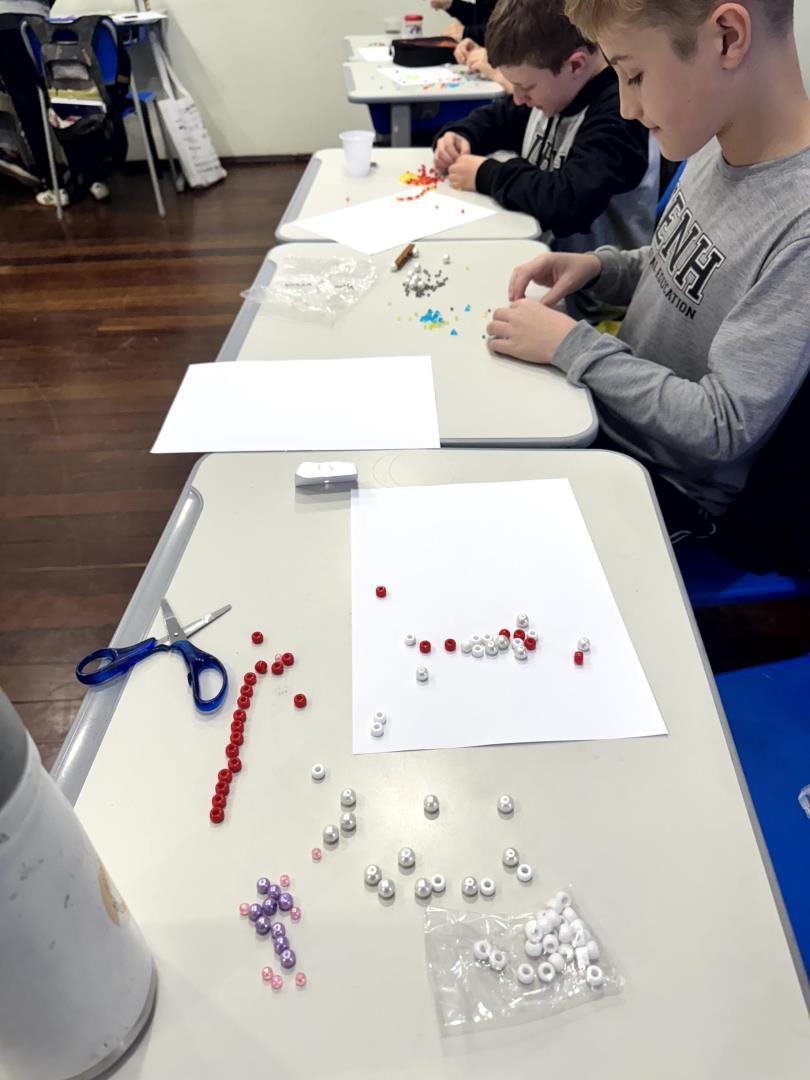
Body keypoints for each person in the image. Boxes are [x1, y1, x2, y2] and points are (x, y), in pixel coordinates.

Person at [487, 0, 810, 551]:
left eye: (634, 76)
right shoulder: (714, 141)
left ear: (728, 38)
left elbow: (722, 426)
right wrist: (599, 269)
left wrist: (572, 346)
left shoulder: (798, 227)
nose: (627, 107)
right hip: (607, 420)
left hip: (664, 487)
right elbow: (679, 269)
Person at [433, 0, 659, 322]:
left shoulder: (619, 116)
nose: (518, 97)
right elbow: (501, 117)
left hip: (592, 307)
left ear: (575, 65)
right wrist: (462, 135)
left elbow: (567, 201)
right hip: (539, 266)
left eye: (526, 87)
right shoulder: (555, 90)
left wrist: (487, 174)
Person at [0, 1, 54, 191]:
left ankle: (45, 173)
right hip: (38, 21)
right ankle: (82, 168)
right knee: (58, 95)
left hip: (4, 21)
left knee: (25, 101)